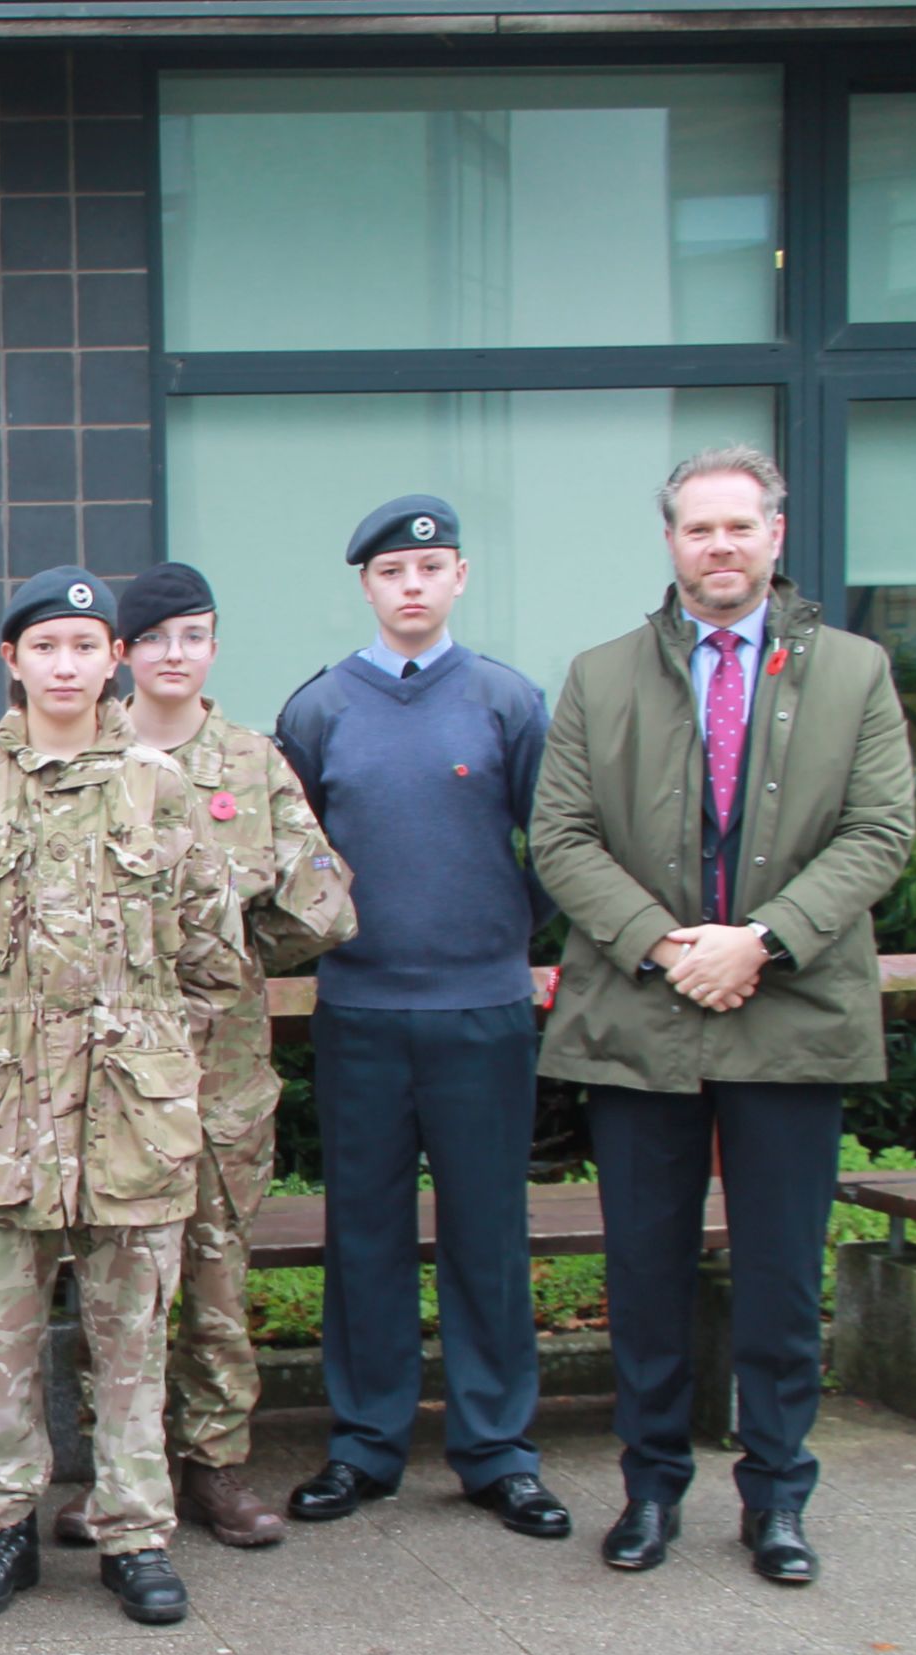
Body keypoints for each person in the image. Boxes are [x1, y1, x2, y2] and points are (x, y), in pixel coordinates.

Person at [531, 444, 916, 1585]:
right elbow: (558, 836)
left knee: (781, 1276)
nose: (718, 546)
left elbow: (877, 832)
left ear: (773, 535)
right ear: (668, 542)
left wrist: (761, 939)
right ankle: (648, 1489)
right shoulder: (599, 676)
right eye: (697, 529)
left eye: (737, 527)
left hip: (786, 1010)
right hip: (638, 1014)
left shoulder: (852, 671)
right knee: (643, 1272)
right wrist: (662, 943)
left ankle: (775, 1498)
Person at [0, 569, 244, 1629]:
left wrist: (142, 1053)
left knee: (130, 1334)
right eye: (42, 645)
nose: (63, 664)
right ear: (10, 662)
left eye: (83, 645)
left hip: (126, 1117)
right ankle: (0, 1526)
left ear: (113, 659)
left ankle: (132, 1529)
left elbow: (207, 954)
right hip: (0, 1117)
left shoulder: (160, 789)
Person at [275, 497, 570, 1541]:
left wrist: (499, 932)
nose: (411, 585)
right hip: (358, 1008)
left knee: (486, 1233)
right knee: (362, 1231)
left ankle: (495, 1448)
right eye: (393, 571)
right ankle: (363, 1442)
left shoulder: (504, 699)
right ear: (365, 584)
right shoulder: (319, 709)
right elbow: (290, 856)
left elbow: (558, 846)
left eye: (430, 567)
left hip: (480, 1009)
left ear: (457, 578)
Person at [47, 563, 357, 1552]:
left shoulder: (252, 763)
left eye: (193, 635)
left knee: (217, 1280)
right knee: (114, 1284)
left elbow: (323, 896)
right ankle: (118, 1472)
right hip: (106, 1083)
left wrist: (223, 954)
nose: (173, 654)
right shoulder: (80, 758)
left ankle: (217, 1466)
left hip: (219, 1079)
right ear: (121, 653)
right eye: (154, 638)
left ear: (211, 647)